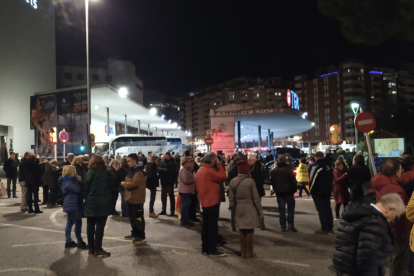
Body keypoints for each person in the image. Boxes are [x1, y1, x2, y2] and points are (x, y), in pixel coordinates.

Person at [333, 193, 405, 275]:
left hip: (344, 268)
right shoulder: (375, 222)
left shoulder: (357, 214)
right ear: (390, 209)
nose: (393, 220)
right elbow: (367, 258)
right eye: (396, 216)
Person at [371, 159, 412, 276]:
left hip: (387, 226)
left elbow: (402, 179)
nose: (402, 171)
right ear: (395, 172)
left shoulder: (381, 181)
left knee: (394, 255)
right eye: (400, 169)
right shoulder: (394, 189)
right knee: (400, 258)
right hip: (399, 228)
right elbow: (401, 213)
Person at [229, 160, 263, 259]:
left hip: (239, 207)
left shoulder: (233, 181)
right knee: (250, 230)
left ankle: (242, 251)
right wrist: (260, 211)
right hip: (249, 207)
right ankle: (249, 252)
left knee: (241, 229)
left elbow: (231, 198)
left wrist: (234, 207)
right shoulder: (250, 181)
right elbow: (256, 198)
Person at [194, 153, 227, 257]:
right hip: (212, 200)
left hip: (204, 201)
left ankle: (205, 248)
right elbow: (222, 176)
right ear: (212, 161)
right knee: (212, 226)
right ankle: (212, 249)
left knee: (205, 225)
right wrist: (219, 164)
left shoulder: (200, 170)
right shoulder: (209, 170)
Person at [84, 155, 116, 258]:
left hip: (91, 202)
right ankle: (98, 249)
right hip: (103, 202)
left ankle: (91, 248)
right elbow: (112, 188)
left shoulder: (88, 173)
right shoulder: (107, 174)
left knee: (90, 224)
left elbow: (86, 188)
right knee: (100, 226)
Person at [122, 153, 147, 245]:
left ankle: (141, 236)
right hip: (130, 198)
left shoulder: (139, 172)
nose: (127, 163)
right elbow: (128, 180)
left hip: (137, 199)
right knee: (132, 218)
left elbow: (134, 184)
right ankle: (135, 233)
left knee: (138, 218)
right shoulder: (132, 170)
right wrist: (127, 182)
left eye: (128, 161)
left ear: (134, 161)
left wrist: (125, 184)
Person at [60, 165, 87, 249]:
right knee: (78, 223)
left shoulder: (68, 181)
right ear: (71, 172)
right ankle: (79, 241)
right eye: (74, 171)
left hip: (72, 204)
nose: (76, 172)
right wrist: (79, 181)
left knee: (70, 223)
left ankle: (68, 241)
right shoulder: (69, 182)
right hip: (73, 205)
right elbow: (79, 190)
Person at [270, 155, 298, 232]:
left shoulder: (274, 169)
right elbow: (293, 180)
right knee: (290, 209)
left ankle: (283, 225)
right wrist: (294, 189)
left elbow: (272, 181)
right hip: (289, 192)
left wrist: (275, 189)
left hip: (279, 192)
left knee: (281, 209)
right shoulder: (289, 168)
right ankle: (290, 225)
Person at [309, 151, 334, 235]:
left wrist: (311, 191)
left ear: (316, 157)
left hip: (318, 191)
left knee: (321, 210)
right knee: (328, 209)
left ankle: (324, 228)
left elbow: (312, 179)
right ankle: (330, 227)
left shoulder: (316, 166)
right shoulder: (329, 166)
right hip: (327, 191)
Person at [178, 157, 197, 227]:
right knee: (185, 205)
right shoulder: (183, 170)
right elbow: (185, 181)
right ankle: (184, 220)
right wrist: (195, 179)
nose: (190, 163)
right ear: (185, 163)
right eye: (189, 162)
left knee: (187, 205)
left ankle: (186, 219)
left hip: (187, 190)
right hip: (185, 190)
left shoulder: (187, 169)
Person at [248, 156, 265, 230]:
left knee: (258, 207)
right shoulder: (255, 167)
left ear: (254, 160)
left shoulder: (256, 169)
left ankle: (261, 223)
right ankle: (259, 223)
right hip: (257, 190)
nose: (248, 161)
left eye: (249, 160)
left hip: (256, 190)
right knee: (256, 207)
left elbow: (258, 181)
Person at [158, 152, 177, 216]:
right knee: (163, 197)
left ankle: (172, 211)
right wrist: (163, 170)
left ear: (168, 155)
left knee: (171, 196)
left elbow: (169, 172)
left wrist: (162, 171)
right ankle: (163, 210)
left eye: (164, 155)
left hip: (169, 182)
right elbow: (158, 169)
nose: (163, 156)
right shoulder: (163, 162)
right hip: (163, 182)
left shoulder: (172, 163)